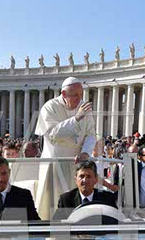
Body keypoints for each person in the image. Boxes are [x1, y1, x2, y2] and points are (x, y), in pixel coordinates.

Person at [34, 77, 97, 219]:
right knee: (54, 205)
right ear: (63, 94)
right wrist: (77, 118)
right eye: (74, 95)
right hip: (55, 164)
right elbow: (53, 134)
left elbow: (91, 134)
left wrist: (85, 152)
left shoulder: (84, 107)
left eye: (80, 94)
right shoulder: (50, 107)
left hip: (77, 163)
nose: (78, 99)